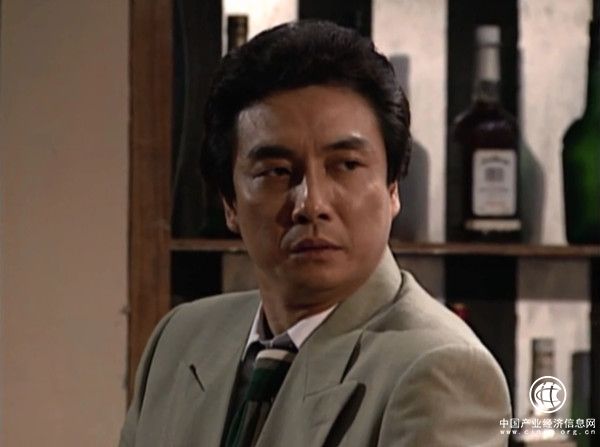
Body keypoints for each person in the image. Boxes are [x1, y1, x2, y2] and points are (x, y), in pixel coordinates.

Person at [120, 20, 511, 447]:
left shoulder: (439, 370)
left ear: (392, 189)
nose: (310, 204)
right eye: (276, 171)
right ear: (229, 202)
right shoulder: (179, 340)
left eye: (346, 165)